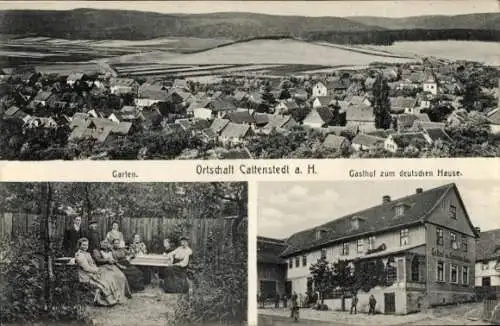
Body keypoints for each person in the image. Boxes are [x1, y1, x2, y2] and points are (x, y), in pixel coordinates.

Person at [74, 238, 131, 306]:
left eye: (86, 245)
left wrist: (96, 269)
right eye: (83, 245)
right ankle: (109, 299)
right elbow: (86, 268)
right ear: (79, 245)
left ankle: (116, 297)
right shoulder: (79, 255)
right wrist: (97, 270)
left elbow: (92, 264)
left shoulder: (87, 253)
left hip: (93, 272)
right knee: (106, 282)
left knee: (109, 278)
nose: (85, 247)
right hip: (86, 275)